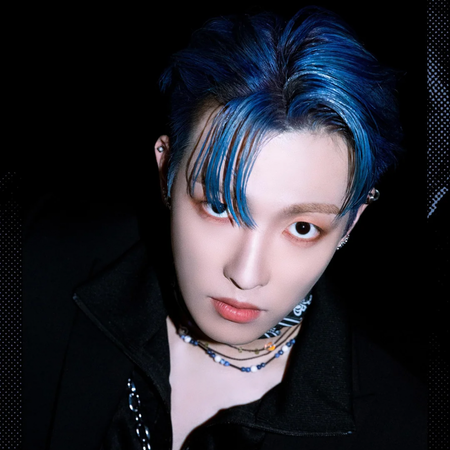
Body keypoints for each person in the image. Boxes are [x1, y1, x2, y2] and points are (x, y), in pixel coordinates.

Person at [23, 5, 426, 450]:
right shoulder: (34, 271)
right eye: (219, 206)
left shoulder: (401, 427)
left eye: (303, 228)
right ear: (166, 172)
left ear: (352, 223)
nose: (246, 275)